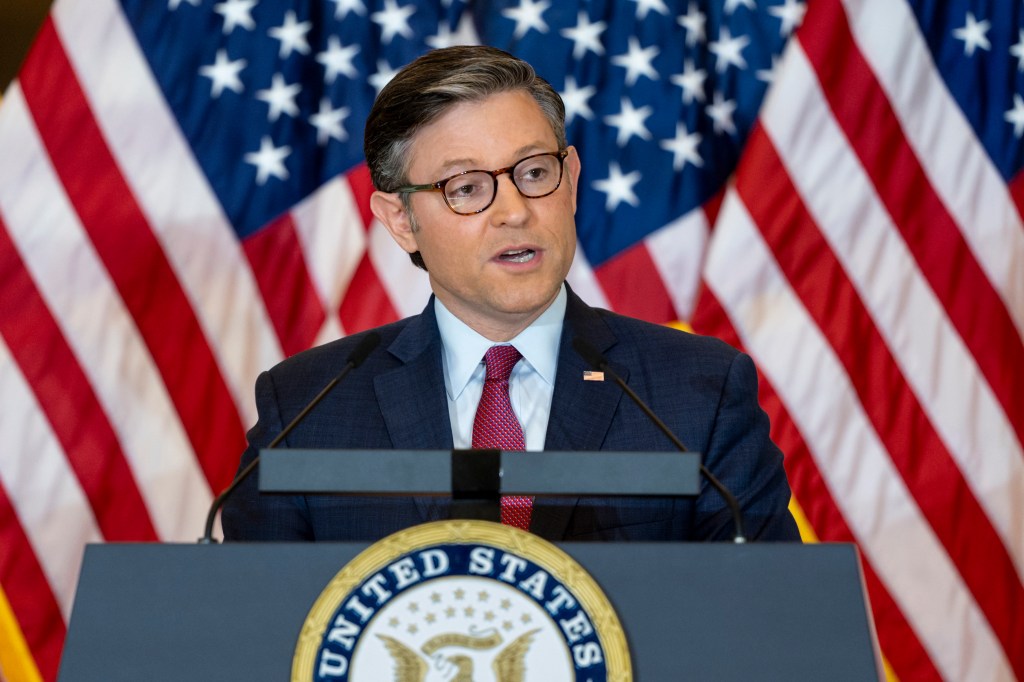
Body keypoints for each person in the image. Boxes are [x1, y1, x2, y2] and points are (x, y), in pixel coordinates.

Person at [222, 45, 800, 543]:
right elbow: (251, 633)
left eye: (533, 172)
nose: (515, 211)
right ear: (400, 219)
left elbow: (772, 626)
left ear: (570, 180)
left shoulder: (697, 393)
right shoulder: (308, 407)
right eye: (466, 187)